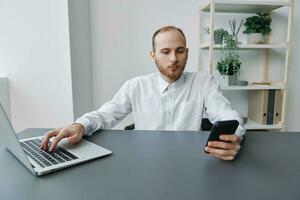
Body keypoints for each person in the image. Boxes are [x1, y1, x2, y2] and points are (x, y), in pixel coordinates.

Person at [40, 26, 245, 160]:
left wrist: (233, 137)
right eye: (166, 51)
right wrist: (80, 125)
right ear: (153, 55)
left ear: (187, 53)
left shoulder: (203, 82)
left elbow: (227, 115)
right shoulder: (135, 86)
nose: (174, 58)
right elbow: (106, 114)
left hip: (190, 161)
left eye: (180, 51)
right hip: (146, 162)